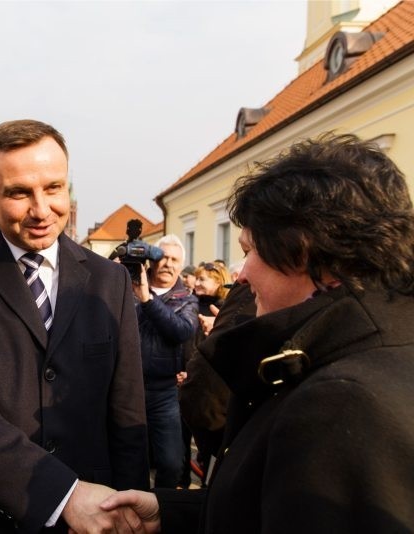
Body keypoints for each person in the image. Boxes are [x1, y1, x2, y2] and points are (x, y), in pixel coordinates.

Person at [100, 134, 414, 533]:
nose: (241, 273)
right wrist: (170, 511)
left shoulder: (341, 402)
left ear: (301, 250)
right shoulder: (365, 351)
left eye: (250, 250)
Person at [0, 119, 148, 533]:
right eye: (19, 193)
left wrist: (126, 511)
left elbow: (126, 409)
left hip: (92, 520)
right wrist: (61, 494)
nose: (41, 210)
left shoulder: (110, 281)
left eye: (54, 188)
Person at [132, 234, 198, 489]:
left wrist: (147, 299)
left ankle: (162, 510)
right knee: (129, 458)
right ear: (151, 260)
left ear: (181, 265)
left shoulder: (187, 299)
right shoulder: (127, 286)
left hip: (164, 391)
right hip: (128, 388)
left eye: (175, 260)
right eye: (163, 257)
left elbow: (181, 331)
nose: (169, 264)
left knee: (171, 462)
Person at [178, 262, 232, 482]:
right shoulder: (189, 304)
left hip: (206, 384)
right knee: (181, 439)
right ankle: (181, 482)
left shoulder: (226, 308)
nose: (197, 283)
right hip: (183, 377)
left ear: (219, 282)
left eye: (203, 279)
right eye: (197, 278)